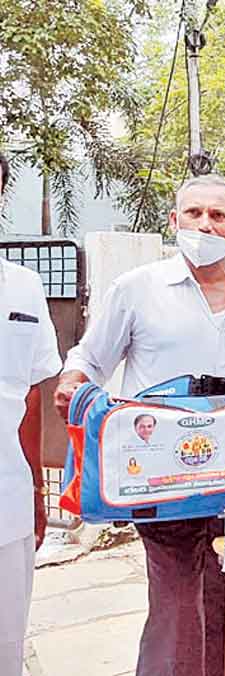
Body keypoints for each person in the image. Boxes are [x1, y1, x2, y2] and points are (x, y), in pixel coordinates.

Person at [55, 174, 225, 676]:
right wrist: (72, 381)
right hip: (162, 482)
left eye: (218, 216)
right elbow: (91, 358)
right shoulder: (137, 289)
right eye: (193, 213)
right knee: (177, 609)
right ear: (174, 221)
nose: (205, 225)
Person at [0, 151, 62, 674]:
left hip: (8, 500)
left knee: (7, 648)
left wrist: (38, 491)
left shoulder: (22, 285)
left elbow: (31, 397)